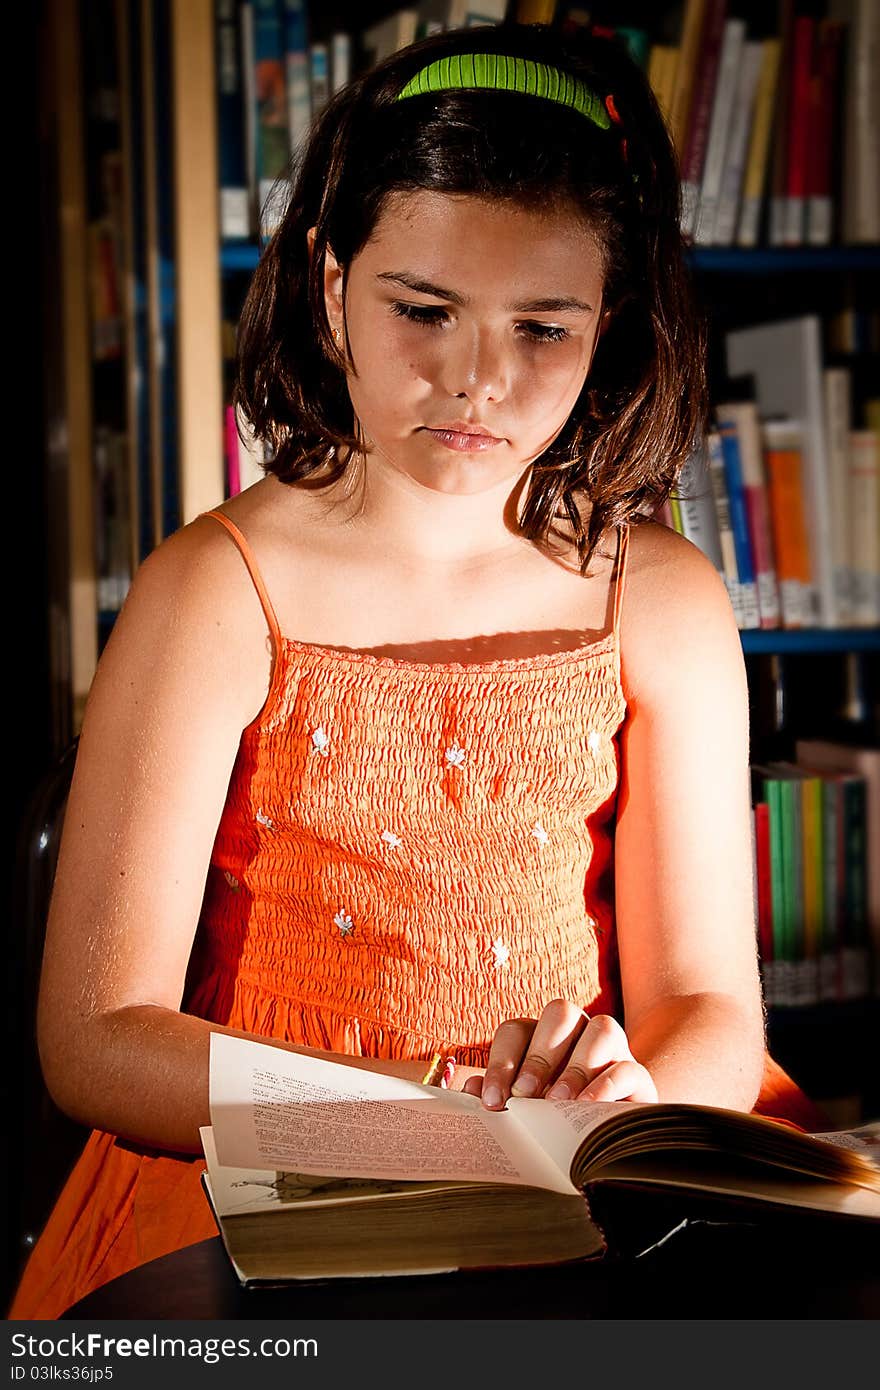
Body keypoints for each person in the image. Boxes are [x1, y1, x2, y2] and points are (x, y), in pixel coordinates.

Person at [11, 21, 825, 1320]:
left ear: (607, 326)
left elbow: (715, 1005)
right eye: (424, 309)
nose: (477, 379)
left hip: (587, 1187)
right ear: (333, 284)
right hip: (258, 1182)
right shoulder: (209, 590)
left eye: (543, 329)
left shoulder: (663, 600)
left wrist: (626, 1115)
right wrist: (419, 1125)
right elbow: (95, 1039)